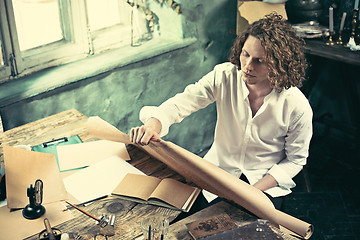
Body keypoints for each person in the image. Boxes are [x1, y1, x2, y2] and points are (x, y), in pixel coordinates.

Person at [129, 13, 312, 213]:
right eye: (245, 54)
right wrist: (153, 124)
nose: (248, 66)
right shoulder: (224, 76)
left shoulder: (296, 105)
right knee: (187, 220)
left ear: (279, 64)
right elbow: (181, 103)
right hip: (218, 173)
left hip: (264, 182)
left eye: (260, 61)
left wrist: (251, 192)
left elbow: (295, 160)